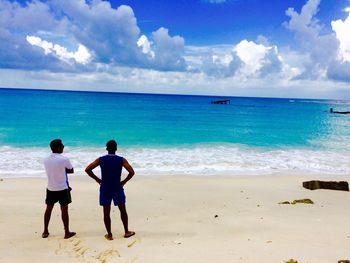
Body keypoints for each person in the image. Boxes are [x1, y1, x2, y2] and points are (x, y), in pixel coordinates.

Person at [85, 139, 135, 240]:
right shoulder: (121, 160)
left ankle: (110, 234)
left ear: (107, 149)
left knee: (106, 212)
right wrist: (124, 182)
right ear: (116, 148)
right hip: (117, 187)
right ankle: (126, 231)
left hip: (105, 187)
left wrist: (98, 180)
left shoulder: (101, 159)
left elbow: (87, 169)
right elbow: (131, 172)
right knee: (122, 210)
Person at [42, 139, 76, 239]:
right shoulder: (64, 159)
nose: (63, 146)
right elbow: (71, 170)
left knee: (48, 209)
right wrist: (63, 169)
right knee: (64, 209)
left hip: (51, 187)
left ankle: (45, 231)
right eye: (62, 145)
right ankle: (67, 233)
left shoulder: (46, 159)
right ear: (58, 147)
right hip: (62, 188)